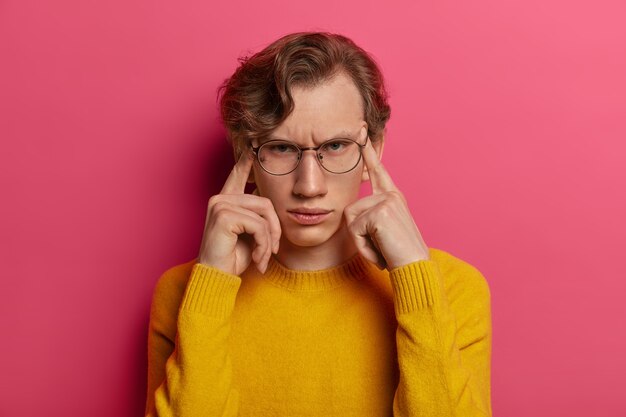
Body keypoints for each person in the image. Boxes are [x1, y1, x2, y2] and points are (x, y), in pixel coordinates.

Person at [144, 32, 492, 417]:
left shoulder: (455, 289)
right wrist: (211, 284)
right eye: (280, 147)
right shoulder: (185, 292)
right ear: (246, 154)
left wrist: (413, 275)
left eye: (336, 146)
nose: (309, 186)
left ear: (373, 149)